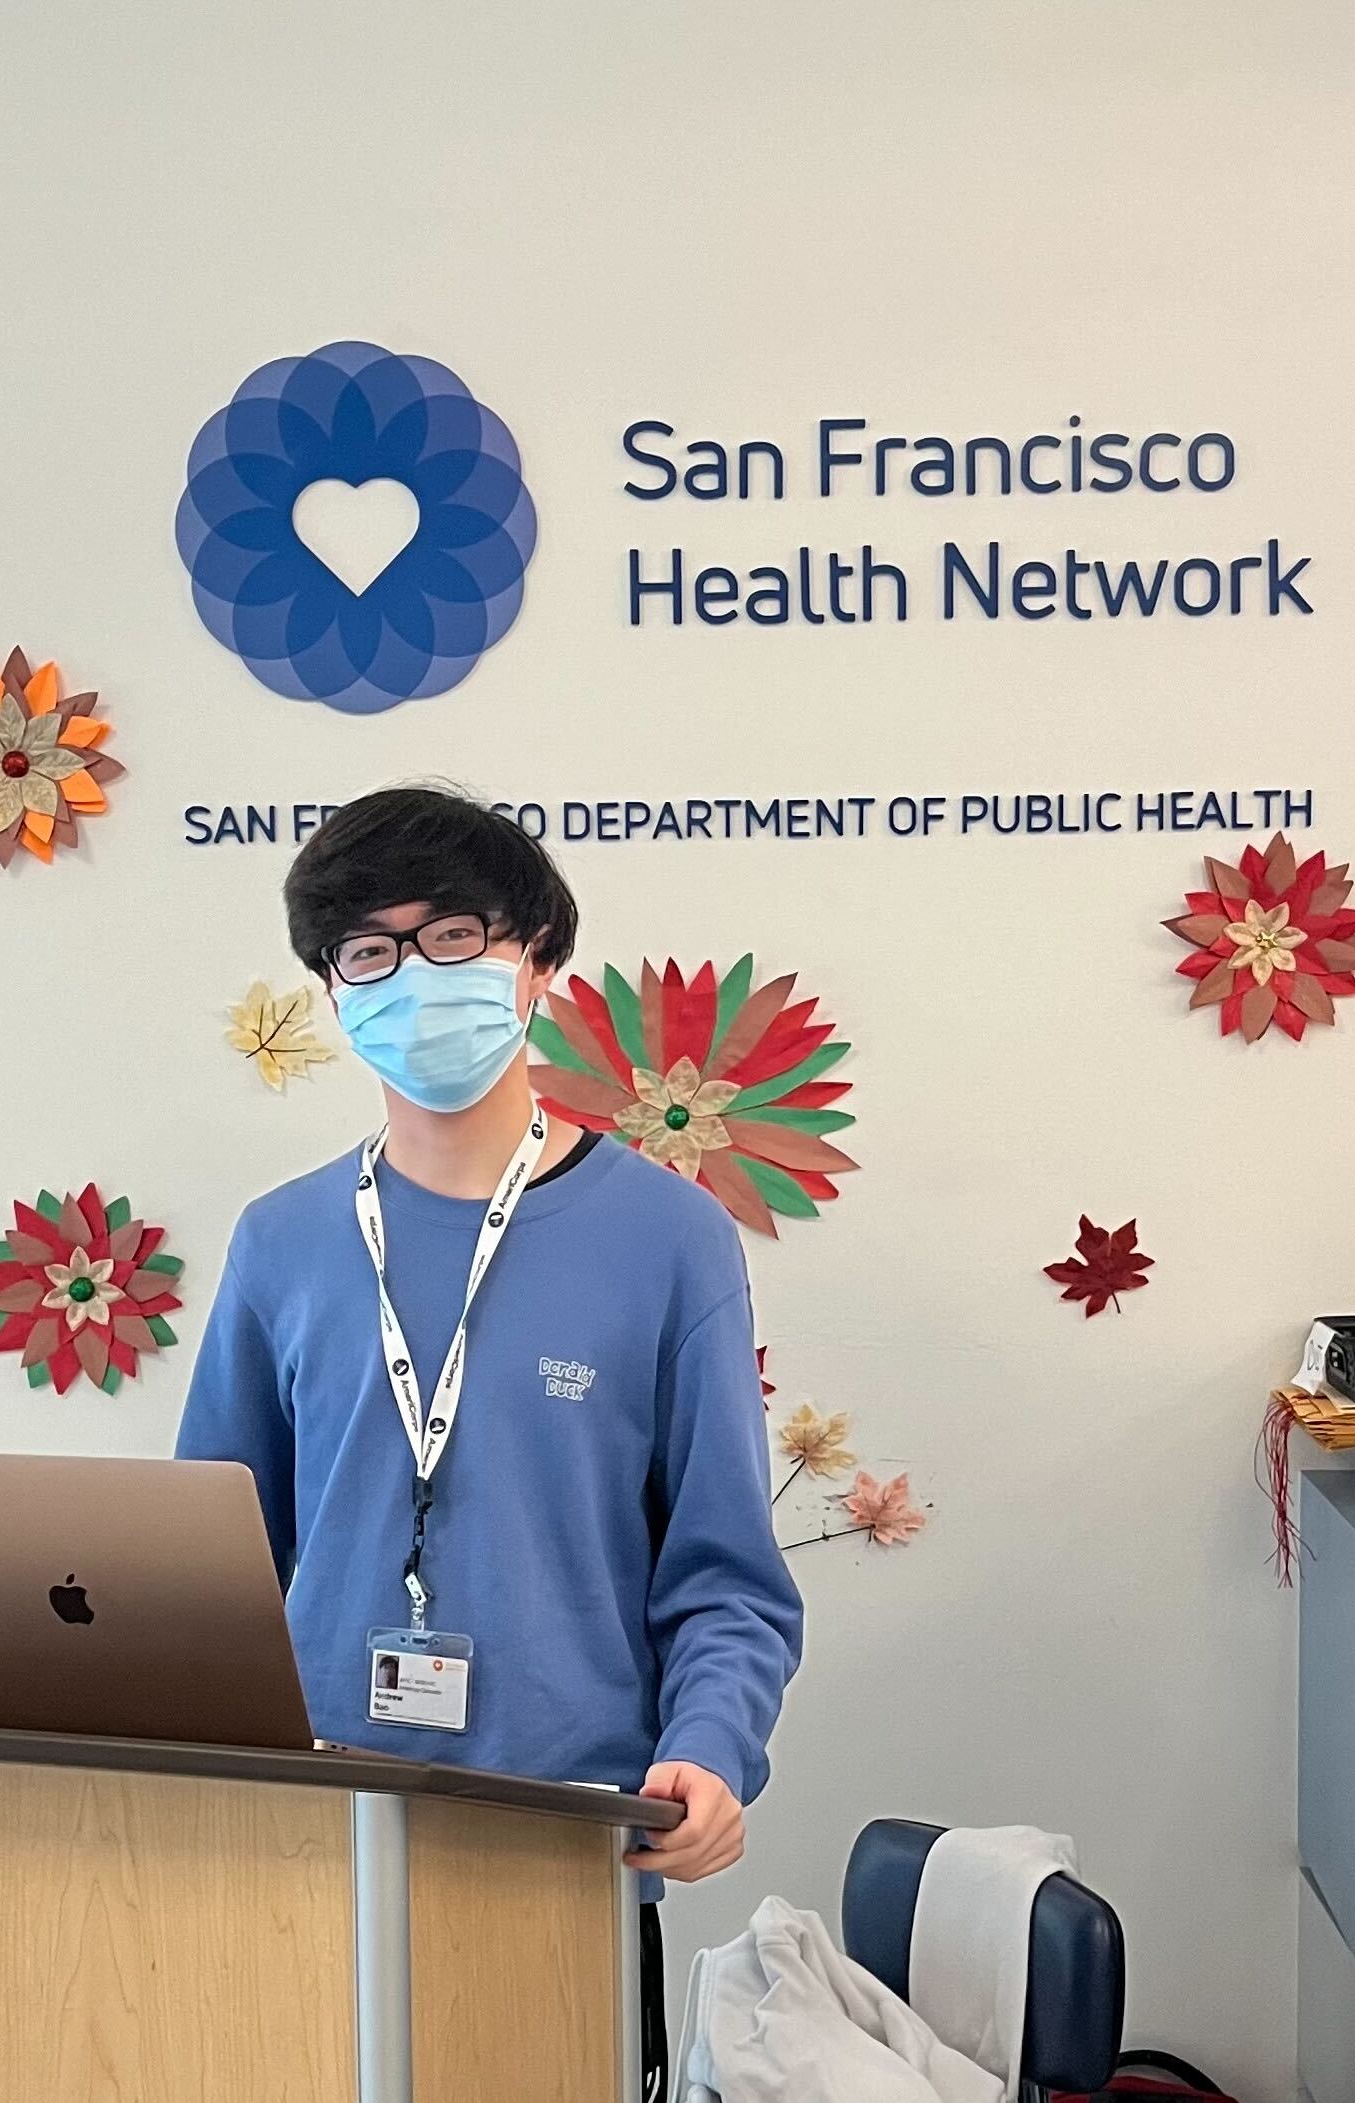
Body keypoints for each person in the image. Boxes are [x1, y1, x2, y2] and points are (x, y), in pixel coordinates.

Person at [176, 784, 803, 2098]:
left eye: (453, 936)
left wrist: (711, 1743)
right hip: (317, 1825)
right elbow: (202, 1569)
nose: (412, 976)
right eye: (368, 951)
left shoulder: (669, 1240)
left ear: (537, 965)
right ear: (335, 996)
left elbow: (728, 1575)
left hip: (564, 1830)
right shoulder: (281, 1242)